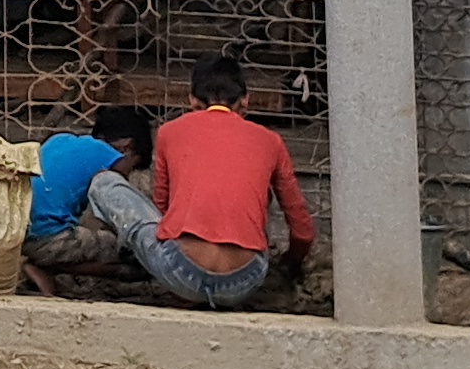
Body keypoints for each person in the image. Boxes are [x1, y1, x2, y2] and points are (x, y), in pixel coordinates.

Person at [81, 54, 309, 310]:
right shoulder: (271, 141)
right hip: (245, 281)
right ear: (245, 101)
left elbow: (162, 211)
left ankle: (139, 268)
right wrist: (289, 266)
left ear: (192, 101)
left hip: (181, 272)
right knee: (255, 193)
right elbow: (303, 231)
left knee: (105, 183)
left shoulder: (169, 131)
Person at [18, 104, 152, 291]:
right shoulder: (110, 158)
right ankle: (42, 266)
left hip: (18, 230)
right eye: (131, 167)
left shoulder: (59, 140)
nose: (127, 175)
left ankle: (40, 263)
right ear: (126, 148)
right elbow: (116, 218)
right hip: (45, 236)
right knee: (131, 257)